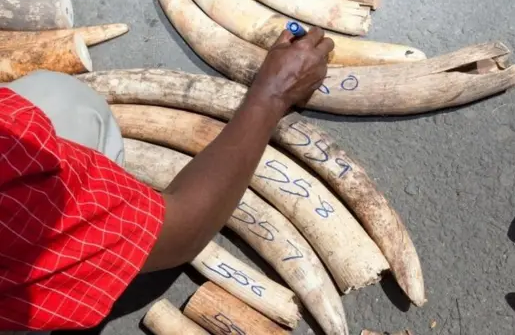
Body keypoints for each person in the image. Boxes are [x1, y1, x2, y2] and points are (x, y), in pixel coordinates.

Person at [0, 27, 334, 333]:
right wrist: (272, 94)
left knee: (55, 95)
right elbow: (179, 233)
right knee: (75, 106)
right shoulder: (12, 175)